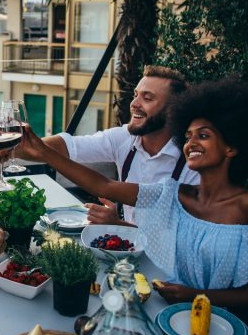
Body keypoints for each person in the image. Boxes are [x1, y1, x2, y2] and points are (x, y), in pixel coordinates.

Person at [21, 79, 248, 335]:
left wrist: (197, 295)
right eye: (187, 136)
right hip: (188, 327)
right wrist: (43, 152)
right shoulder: (173, 194)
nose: (190, 144)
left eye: (203, 135)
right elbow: (104, 187)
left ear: (231, 147)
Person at [19, 65, 199, 225]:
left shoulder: (193, 164)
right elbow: (68, 145)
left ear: (172, 110)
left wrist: (119, 225)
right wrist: (12, 149)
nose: (134, 104)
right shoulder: (125, 138)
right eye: (136, 95)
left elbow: (104, 186)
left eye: (148, 98)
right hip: (127, 252)